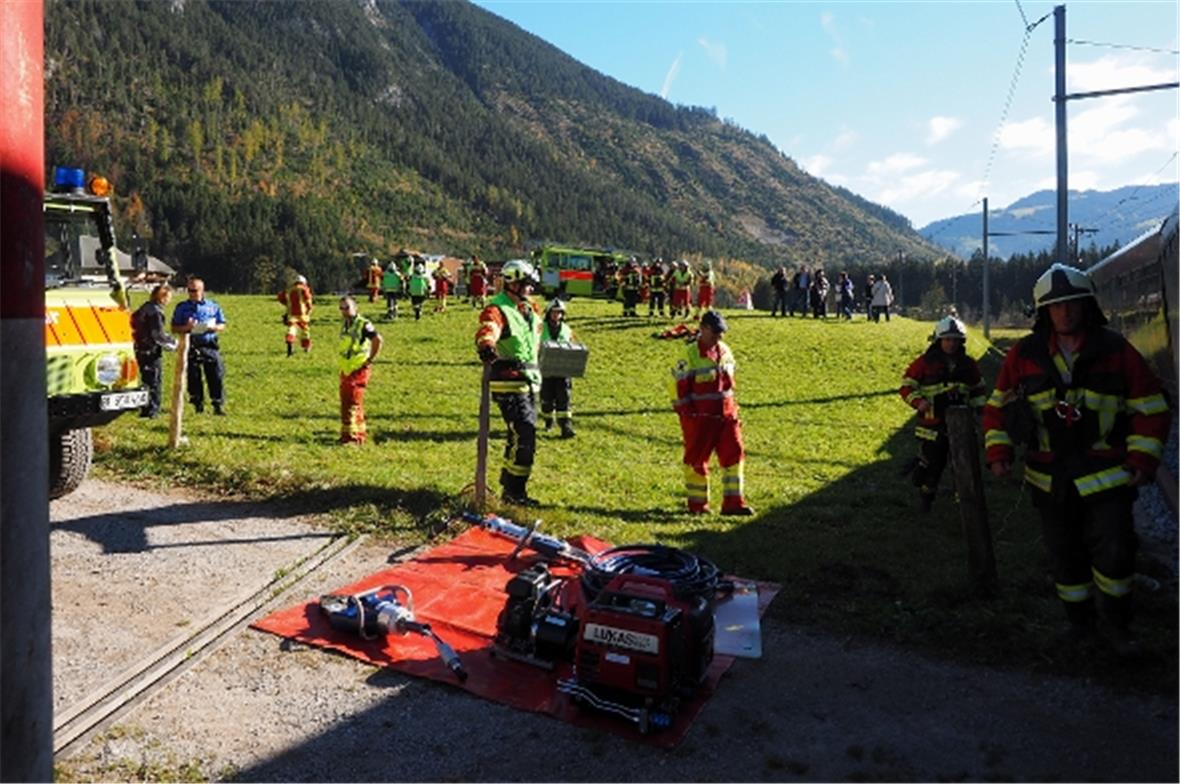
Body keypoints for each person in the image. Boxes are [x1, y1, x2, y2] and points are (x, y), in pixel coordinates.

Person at [982, 263, 1170, 655]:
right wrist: (998, 452)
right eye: (1056, 307)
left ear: (1087, 306)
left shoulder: (1116, 350)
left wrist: (1142, 459)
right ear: (1043, 312)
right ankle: (1079, 629)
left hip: (1108, 475)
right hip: (1050, 478)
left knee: (1116, 553)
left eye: (1072, 304)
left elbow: (1150, 407)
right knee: (1065, 558)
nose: (1065, 313)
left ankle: (1117, 628)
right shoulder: (1024, 355)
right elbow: (997, 408)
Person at [671, 310, 754, 516]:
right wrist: (688, 415)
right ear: (703, 329)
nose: (720, 337)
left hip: (726, 417)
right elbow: (677, 388)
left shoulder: (725, 351)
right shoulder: (688, 355)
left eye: (722, 333)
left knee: (734, 456)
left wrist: (733, 408)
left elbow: (730, 384)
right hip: (699, 419)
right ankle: (698, 506)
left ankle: (734, 503)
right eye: (715, 332)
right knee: (697, 461)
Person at [899, 315, 987, 512]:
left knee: (962, 466)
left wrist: (980, 413)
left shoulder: (969, 365)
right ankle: (926, 498)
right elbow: (906, 386)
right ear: (939, 340)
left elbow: (978, 390)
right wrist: (919, 402)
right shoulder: (924, 363)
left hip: (961, 425)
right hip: (932, 426)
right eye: (947, 339)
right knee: (934, 466)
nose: (952, 344)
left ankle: (965, 504)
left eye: (956, 340)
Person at [476, 259, 545, 507]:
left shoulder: (531, 310)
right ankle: (515, 492)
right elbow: (488, 328)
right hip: (509, 380)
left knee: (519, 436)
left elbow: (538, 337)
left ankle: (511, 488)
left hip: (530, 380)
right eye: (527, 284)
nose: (530, 289)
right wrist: (487, 345)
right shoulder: (497, 308)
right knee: (524, 432)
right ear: (513, 283)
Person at [171, 277, 228, 415]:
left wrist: (214, 327)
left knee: (215, 373)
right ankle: (198, 404)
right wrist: (187, 327)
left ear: (202, 290)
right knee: (193, 375)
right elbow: (174, 327)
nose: (191, 293)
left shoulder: (213, 306)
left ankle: (217, 404)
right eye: (189, 290)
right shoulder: (182, 308)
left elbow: (222, 324)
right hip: (191, 343)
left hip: (209, 343)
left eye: (194, 290)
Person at [336, 296, 383, 445]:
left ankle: (353, 437)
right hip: (346, 369)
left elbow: (378, 340)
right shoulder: (345, 324)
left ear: (355, 308)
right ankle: (350, 433)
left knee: (353, 402)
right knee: (346, 403)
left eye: (347, 307)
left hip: (358, 368)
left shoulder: (363, 324)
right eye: (341, 308)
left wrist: (370, 360)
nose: (344, 311)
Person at [131, 284, 178, 418]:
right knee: (154, 381)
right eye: (169, 297)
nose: (170, 300)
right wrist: (175, 344)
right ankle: (152, 410)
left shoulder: (145, 307)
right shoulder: (156, 312)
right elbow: (158, 335)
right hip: (150, 350)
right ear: (163, 297)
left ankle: (145, 406)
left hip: (139, 347)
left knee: (146, 379)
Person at [539, 298, 577, 438]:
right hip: (545, 370)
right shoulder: (539, 328)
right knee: (547, 397)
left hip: (563, 369)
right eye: (553, 312)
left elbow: (573, 345)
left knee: (564, 397)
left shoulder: (567, 329)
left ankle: (566, 426)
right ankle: (548, 419)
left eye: (559, 313)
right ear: (548, 313)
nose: (556, 315)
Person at [277, 274, 313, 355]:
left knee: (292, 329)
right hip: (302, 315)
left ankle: (290, 341)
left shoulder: (289, 290)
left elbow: (280, 297)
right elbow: (308, 300)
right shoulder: (304, 289)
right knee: (305, 331)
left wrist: (287, 304)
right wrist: (309, 309)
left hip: (291, 314)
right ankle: (306, 347)